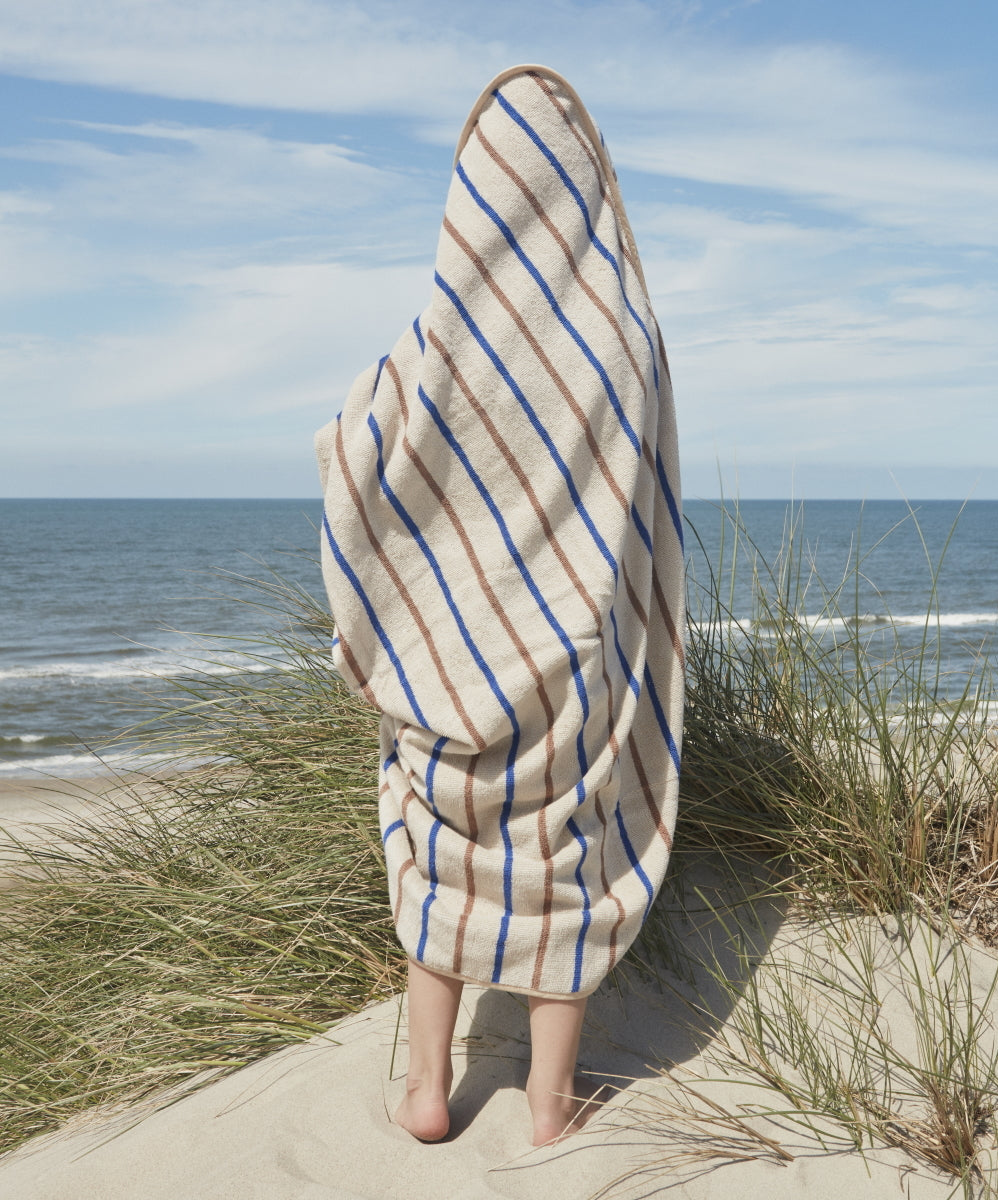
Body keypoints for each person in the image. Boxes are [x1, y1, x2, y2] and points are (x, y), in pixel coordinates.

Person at [316, 64, 685, 1146]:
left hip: (453, 655)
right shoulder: (626, 333)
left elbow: (361, 445)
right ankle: (552, 1102)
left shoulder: (439, 337)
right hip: (575, 657)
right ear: (584, 188)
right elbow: (645, 500)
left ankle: (429, 1089)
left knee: (441, 860)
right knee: (568, 866)